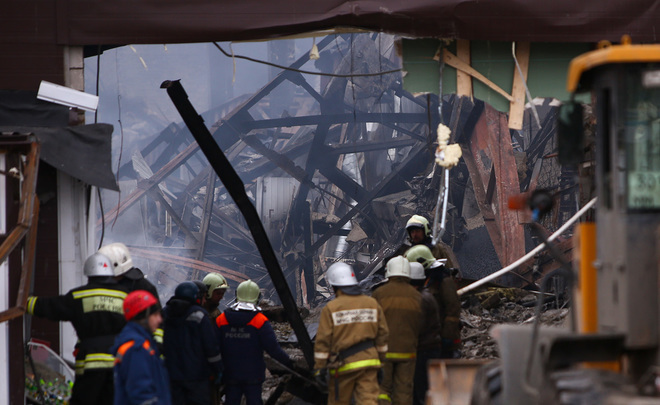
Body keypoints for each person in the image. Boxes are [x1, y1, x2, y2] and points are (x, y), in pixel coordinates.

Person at [26, 252, 129, 405]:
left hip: (91, 362)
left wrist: (26, 303)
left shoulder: (79, 296)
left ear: (88, 273)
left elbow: (52, 307)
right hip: (119, 362)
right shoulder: (125, 296)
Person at [314, 262, 389, 405]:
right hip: (369, 363)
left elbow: (323, 343)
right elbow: (383, 335)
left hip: (342, 366)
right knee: (369, 401)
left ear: (334, 286)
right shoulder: (371, 303)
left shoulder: (331, 308)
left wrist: (320, 368)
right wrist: (381, 359)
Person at [216, 279, 292, 405]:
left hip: (230, 374)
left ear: (237, 295)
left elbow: (214, 347)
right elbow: (273, 349)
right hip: (253, 375)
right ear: (257, 298)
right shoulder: (260, 321)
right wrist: (289, 364)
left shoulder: (222, 319)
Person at [371, 256, 422, 405]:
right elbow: (421, 324)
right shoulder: (417, 296)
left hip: (384, 351)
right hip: (408, 351)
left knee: (383, 389)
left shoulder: (379, 293)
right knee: (404, 390)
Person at [162, 281, 223, 405]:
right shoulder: (199, 316)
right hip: (196, 378)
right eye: (203, 298)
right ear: (196, 297)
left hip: (170, 375)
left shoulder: (164, 314)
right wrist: (218, 369)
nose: (205, 301)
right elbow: (211, 348)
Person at [112, 290, 171, 405]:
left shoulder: (141, 344)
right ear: (142, 317)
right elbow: (142, 394)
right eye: (155, 315)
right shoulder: (136, 348)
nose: (160, 320)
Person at [99, 242, 164, 344]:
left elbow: (158, 323)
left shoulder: (143, 287)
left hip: (136, 347)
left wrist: (155, 346)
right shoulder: (99, 286)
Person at [405, 245, 461, 359]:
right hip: (426, 341)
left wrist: (447, 336)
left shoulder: (442, 280)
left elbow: (453, 310)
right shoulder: (422, 281)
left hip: (442, 339)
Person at [408, 261, 443, 405]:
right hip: (430, 348)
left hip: (423, 350)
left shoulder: (421, 299)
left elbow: (418, 327)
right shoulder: (426, 296)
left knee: (421, 388)